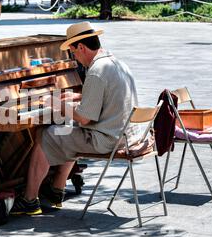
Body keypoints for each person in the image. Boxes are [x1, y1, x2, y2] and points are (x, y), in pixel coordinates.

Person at [10, 21, 140, 215]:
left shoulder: (96, 71)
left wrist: (56, 104)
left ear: (81, 46)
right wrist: (77, 96)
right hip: (126, 135)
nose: (75, 58)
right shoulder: (114, 63)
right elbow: (106, 97)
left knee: (46, 135)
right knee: (67, 126)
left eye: (73, 53)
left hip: (107, 140)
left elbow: (85, 118)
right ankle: (56, 190)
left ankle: (29, 200)